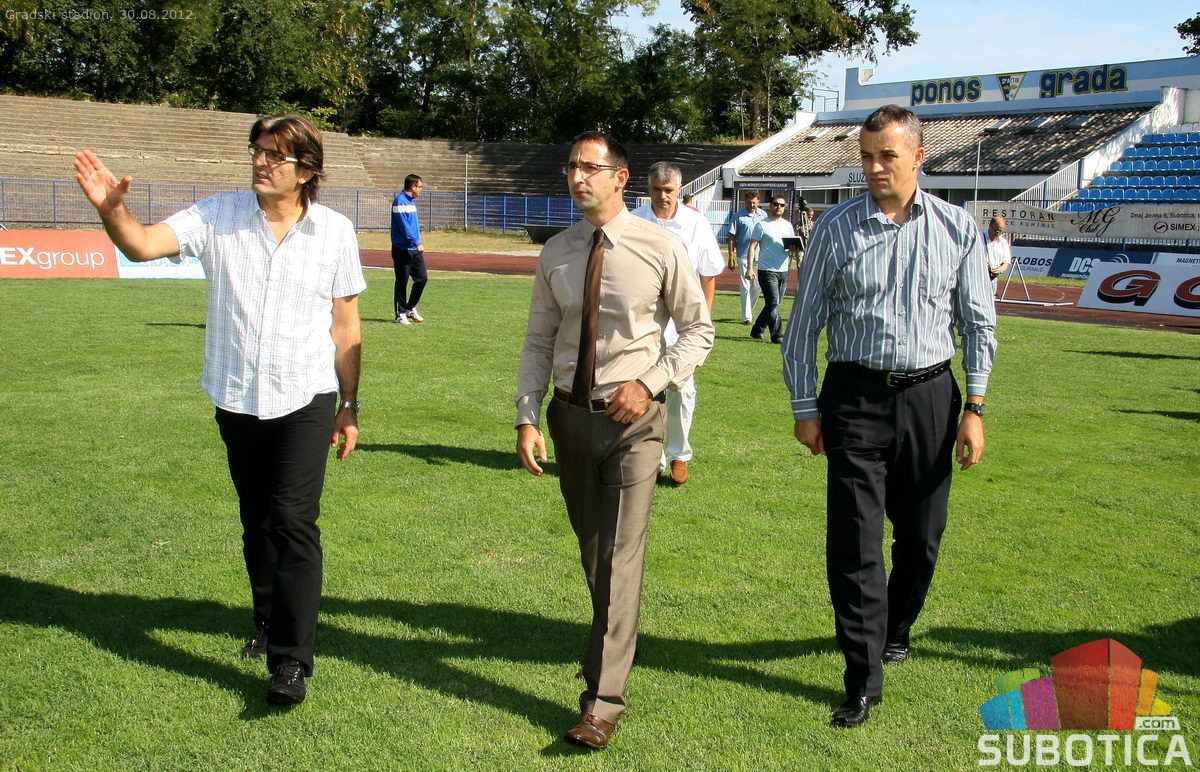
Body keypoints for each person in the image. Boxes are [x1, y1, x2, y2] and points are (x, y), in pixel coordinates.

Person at [73, 114, 365, 706]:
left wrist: (350, 403)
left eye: (275, 155)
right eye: (257, 150)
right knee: (257, 520)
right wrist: (112, 211)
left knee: (293, 522)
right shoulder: (216, 215)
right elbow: (142, 244)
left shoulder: (335, 231)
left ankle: (291, 661)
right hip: (236, 395)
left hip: (306, 395)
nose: (260, 162)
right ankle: (267, 619)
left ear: (306, 171)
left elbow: (345, 324)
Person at [781, 105, 997, 729]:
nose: (875, 168)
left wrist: (975, 407)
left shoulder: (958, 229)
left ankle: (897, 626)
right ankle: (862, 675)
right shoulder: (835, 228)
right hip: (854, 399)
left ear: (918, 157)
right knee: (855, 538)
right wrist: (805, 407)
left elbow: (978, 325)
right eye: (866, 156)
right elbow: (803, 327)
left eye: (888, 156)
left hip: (931, 397)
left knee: (923, 537)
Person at [515, 132, 714, 749]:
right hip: (571, 418)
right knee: (596, 552)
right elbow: (539, 340)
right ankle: (616, 642)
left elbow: (698, 331)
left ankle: (602, 702)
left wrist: (650, 383)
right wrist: (527, 415)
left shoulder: (661, 246)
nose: (577, 178)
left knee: (623, 553)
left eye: (589, 167)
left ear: (620, 177)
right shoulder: (558, 251)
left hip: (636, 421)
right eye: (571, 167)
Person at [632, 161, 724, 484]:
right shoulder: (634, 221)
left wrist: (702, 323)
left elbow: (708, 275)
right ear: (649, 189)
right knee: (644, 389)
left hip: (683, 324)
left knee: (681, 390)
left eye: (668, 190)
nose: (662, 196)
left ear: (679, 190)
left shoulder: (696, 224)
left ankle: (679, 455)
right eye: (656, 189)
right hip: (643, 323)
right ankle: (652, 458)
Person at [746, 196, 796, 344]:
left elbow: (790, 245)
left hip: (783, 269)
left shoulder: (787, 225)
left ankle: (757, 329)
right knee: (773, 302)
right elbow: (752, 246)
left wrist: (794, 248)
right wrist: (750, 268)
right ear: (770, 205)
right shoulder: (762, 225)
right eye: (776, 204)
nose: (779, 207)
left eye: (782, 205)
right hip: (766, 270)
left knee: (773, 303)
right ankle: (777, 335)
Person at [391, 174, 427, 324]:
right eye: (420, 187)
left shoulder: (410, 202)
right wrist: (416, 242)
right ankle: (400, 314)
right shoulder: (400, 201)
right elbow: (404, 227)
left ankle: (409, 308)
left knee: (422, 278)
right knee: (402, 281)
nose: (421, 190)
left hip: (414, 249)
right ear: (413, 186)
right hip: (402, 248)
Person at [727, 191, 765, 324]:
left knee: (758, 286)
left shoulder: (763, 215)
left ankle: (748, 309)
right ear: (745, 202)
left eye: (754, 202)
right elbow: (731, 237)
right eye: (749, 202)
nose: (752, 205)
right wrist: (731, 255)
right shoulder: (738, 216)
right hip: (743, 254)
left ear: (758, 202)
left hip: (760, 255)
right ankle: (747, 317)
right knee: (745, 286)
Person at [985, 214, 1012, 294]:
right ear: (990, 226)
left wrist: (1000, 270)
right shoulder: (979, 237)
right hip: (977, 277)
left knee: (991, 300)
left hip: (993, 279)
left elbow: (1006, 262)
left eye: (1000, 231)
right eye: (995, 230)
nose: (997, 233)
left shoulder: (1003, 242)